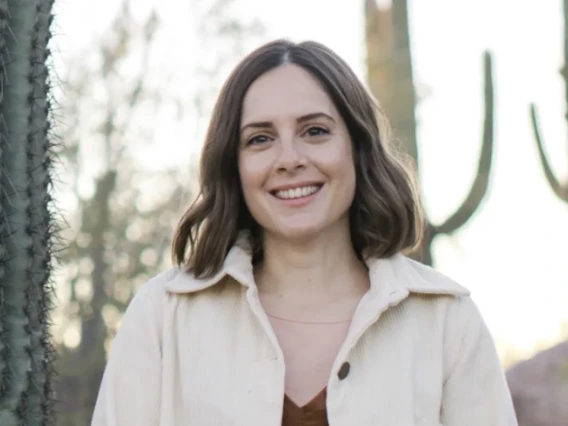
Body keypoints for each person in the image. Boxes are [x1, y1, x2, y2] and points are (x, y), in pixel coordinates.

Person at [91, 39, 517, 426]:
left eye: (315, 131)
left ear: (357, 146)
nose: (289, 159)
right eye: (260, 139)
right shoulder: (162, 318)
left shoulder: (448, 322)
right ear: (234, 165)